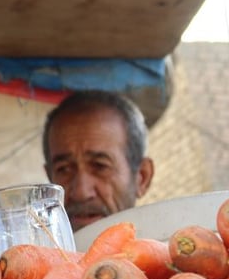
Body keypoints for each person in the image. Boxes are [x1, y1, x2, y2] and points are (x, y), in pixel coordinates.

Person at [42, 90, 155, 232]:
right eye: (63, 169)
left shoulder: (176, 251)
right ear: (49, 179)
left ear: (142, 177)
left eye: (100, 166)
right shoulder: (21, 253)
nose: (81, 192)